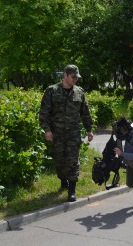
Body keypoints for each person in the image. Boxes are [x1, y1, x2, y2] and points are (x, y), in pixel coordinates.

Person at [39, 64, 94, 202]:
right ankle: (63, 181)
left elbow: (85, 112)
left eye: (77, 77)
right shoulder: (51, 91)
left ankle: (72, 190)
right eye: (73, 77)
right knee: (59, 160)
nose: (75, 79)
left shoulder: (79, 92)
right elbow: (44, 113)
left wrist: (89, 129)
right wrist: (47, 130)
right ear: (65, 75)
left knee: (72, 161)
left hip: (73, 133)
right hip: (56, 133)